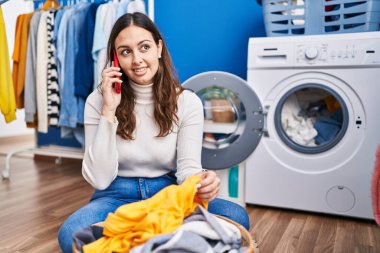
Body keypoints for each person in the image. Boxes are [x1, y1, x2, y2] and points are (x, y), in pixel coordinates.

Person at [58, 12, 250, 253]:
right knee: (70, 234)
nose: (137, 59)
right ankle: (160, 237)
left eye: (144, 47)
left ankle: (146, 237)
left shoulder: (187, 102)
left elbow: (188, 169)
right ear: (115, 59)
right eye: (126, 52)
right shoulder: (98, 101)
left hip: (168, 192)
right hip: (115, 194)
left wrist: (202, 182)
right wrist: (109, 110)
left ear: (158, 48)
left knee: (236, 216)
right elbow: (100, 179)